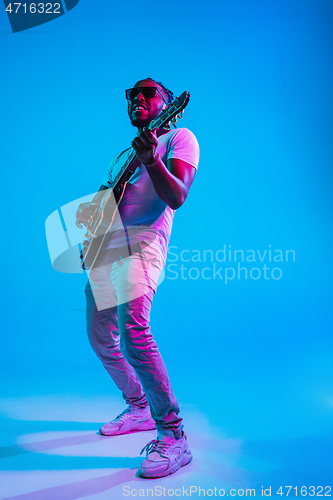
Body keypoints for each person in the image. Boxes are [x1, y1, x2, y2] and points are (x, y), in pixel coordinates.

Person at [75, 78, 199, 478]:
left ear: (168, 104)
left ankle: (173, 436)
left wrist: (151, 160)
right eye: (132, 95)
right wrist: (89, 236)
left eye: (148, 93)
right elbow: (102, 201)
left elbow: (177, 195)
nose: (138, 99)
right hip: (106, 250)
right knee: (99, 335)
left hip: (142, 245)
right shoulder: (121, 154)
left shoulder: (180, 137)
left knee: (134, 332)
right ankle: (139, 406)